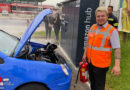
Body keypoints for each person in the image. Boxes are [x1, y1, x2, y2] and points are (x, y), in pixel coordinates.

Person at [82, 7, 121, 90]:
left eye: (102, 16)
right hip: (90, 62)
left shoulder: (112, 31)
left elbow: (117, 49)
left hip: (101, 65)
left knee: (99, 86)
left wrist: (117, 66)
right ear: (95, 17)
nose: (100, 18)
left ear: (107, 16)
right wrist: (85, 54)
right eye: (98, 16)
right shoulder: (92, 27)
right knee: (92, 82)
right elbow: (88, 43)